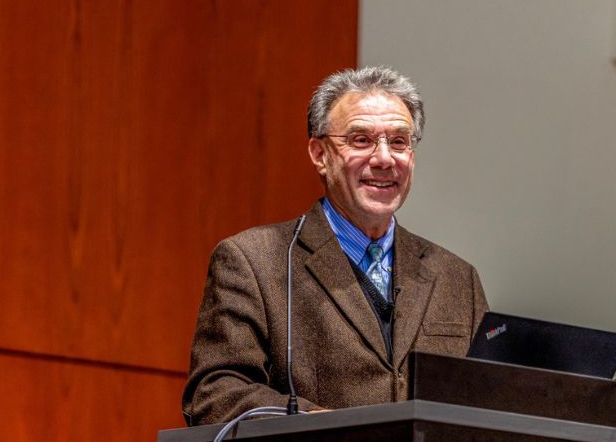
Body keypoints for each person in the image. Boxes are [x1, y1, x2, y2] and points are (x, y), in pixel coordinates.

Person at [182, 66, 488, 425]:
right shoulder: (253, 261)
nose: (385, 159)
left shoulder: (457, 278)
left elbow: (489, 403)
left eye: (399, 141)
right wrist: (327, 427)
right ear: (319, 154)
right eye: (361, 140)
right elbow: (216, 393)